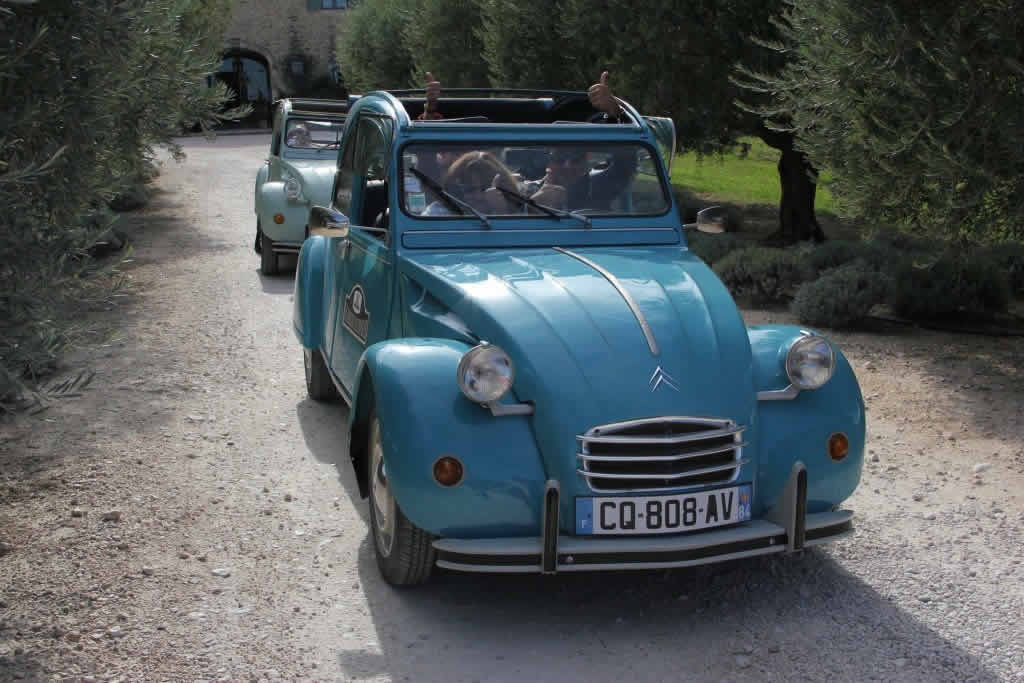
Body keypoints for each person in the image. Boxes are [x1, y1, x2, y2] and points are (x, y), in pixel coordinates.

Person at [422, 151, 523, 216]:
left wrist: (501, 211)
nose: (478, 196)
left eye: (485, 189)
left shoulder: (515, 210)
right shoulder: (439, 213)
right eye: (469, 189)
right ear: (456, 189)